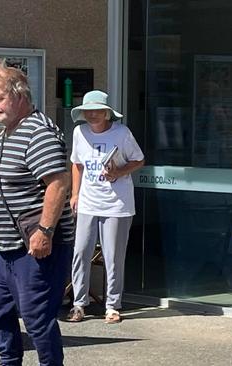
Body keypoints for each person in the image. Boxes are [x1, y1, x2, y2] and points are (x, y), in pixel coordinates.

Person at [0, 62, 75, 366]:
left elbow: (59, 183)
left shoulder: (38, 131)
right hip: (5, 248)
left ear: (20, 95)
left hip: (34, 247)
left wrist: (45, 232)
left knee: (37, 319)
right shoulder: (9, 132)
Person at [66, 90, 144, 324]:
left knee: (113, 256)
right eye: (88, 111)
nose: (92, 115)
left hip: (116, 204)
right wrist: (75, 194)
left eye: (97, 110)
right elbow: (76, 164)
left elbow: (139, 160)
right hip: (89, 202)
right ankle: (79, 304)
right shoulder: (79, 132)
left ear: (107, 113)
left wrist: (118, 172)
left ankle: (112, 305)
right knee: (80, 252)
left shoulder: (122, 133)